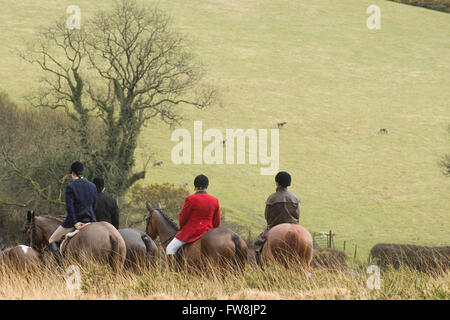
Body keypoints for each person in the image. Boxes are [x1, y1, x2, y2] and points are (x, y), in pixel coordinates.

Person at [48, 161, 98, 264]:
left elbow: (70, 208)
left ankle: (60, 266)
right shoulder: (93, 186)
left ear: (72, 173)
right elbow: (94, 205)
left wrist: (75, 223)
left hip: (75, 222)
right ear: (82, 173)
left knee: (52, 240)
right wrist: (91, 220)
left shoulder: (71, 187)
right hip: (91, 221)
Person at [165, 174, 221, 261]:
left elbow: (182, 218)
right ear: (207, 186)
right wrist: (212, 231)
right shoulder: (215, 200)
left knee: (170, 248)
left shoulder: (190, 199)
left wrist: (183, 228)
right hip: (208, 231)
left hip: (192, 231)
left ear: (195, 186)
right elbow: (217, 222)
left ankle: (172, 273)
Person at [254, 171, 300, 265]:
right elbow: (297, 215)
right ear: (288, 183)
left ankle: (260, 269)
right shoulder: (295, 198)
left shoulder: (272, 198)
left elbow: (267, 216)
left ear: (277, 182)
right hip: (293, 226)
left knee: (258, 244)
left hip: (274, 227)